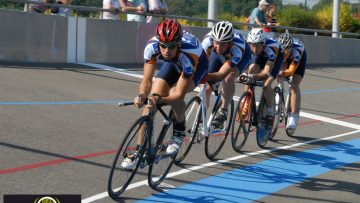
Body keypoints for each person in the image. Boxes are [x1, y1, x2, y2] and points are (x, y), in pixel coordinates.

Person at [121, 19, 208, 169]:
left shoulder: (189, 54)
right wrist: (142, 94)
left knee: (175, 96)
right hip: (173, 63)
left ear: (179, 44)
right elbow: (147, 80)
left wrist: (159, 99)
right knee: (150, 102)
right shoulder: (151, 47)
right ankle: (138, 151)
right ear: (158, 42)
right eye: (163, 46)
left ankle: (179, 131)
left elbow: (178, 94)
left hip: (197, 66)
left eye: (172, 46)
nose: (167, 50)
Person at [201, 21, 252, 128]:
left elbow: (221, 74)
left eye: (223, 43)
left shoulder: (237, 49)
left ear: (229, 42)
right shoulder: (207, 42)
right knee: (205, 89)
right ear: (212, 39)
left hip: (243, 56)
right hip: (217, 55)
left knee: (229, 76)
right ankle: (201, 120)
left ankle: (223, 111)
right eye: (217, 42)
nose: (219, 47)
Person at [241, 28, 283, 130]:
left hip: (275, 59)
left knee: (266, 84)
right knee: (251, 71)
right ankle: (246, 102)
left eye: (257, 46)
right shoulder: (249, 47)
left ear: (263, 44)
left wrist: (254, 77)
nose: (254, 49)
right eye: (252, 45)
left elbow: (266, 72)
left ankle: (270, 112)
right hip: (261, 56)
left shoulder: (272, 48)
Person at [278, 33, 307, 130]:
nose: (285, 53)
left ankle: (294, 115)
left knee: (294, 85)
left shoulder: (296, 51)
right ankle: (279, 89)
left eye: (287, 51)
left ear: (291, 49)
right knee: (279, 70)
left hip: (298, 60)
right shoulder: (277, 49)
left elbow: (291, 71)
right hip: (286, 59)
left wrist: (282, 72)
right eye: (283, 51)